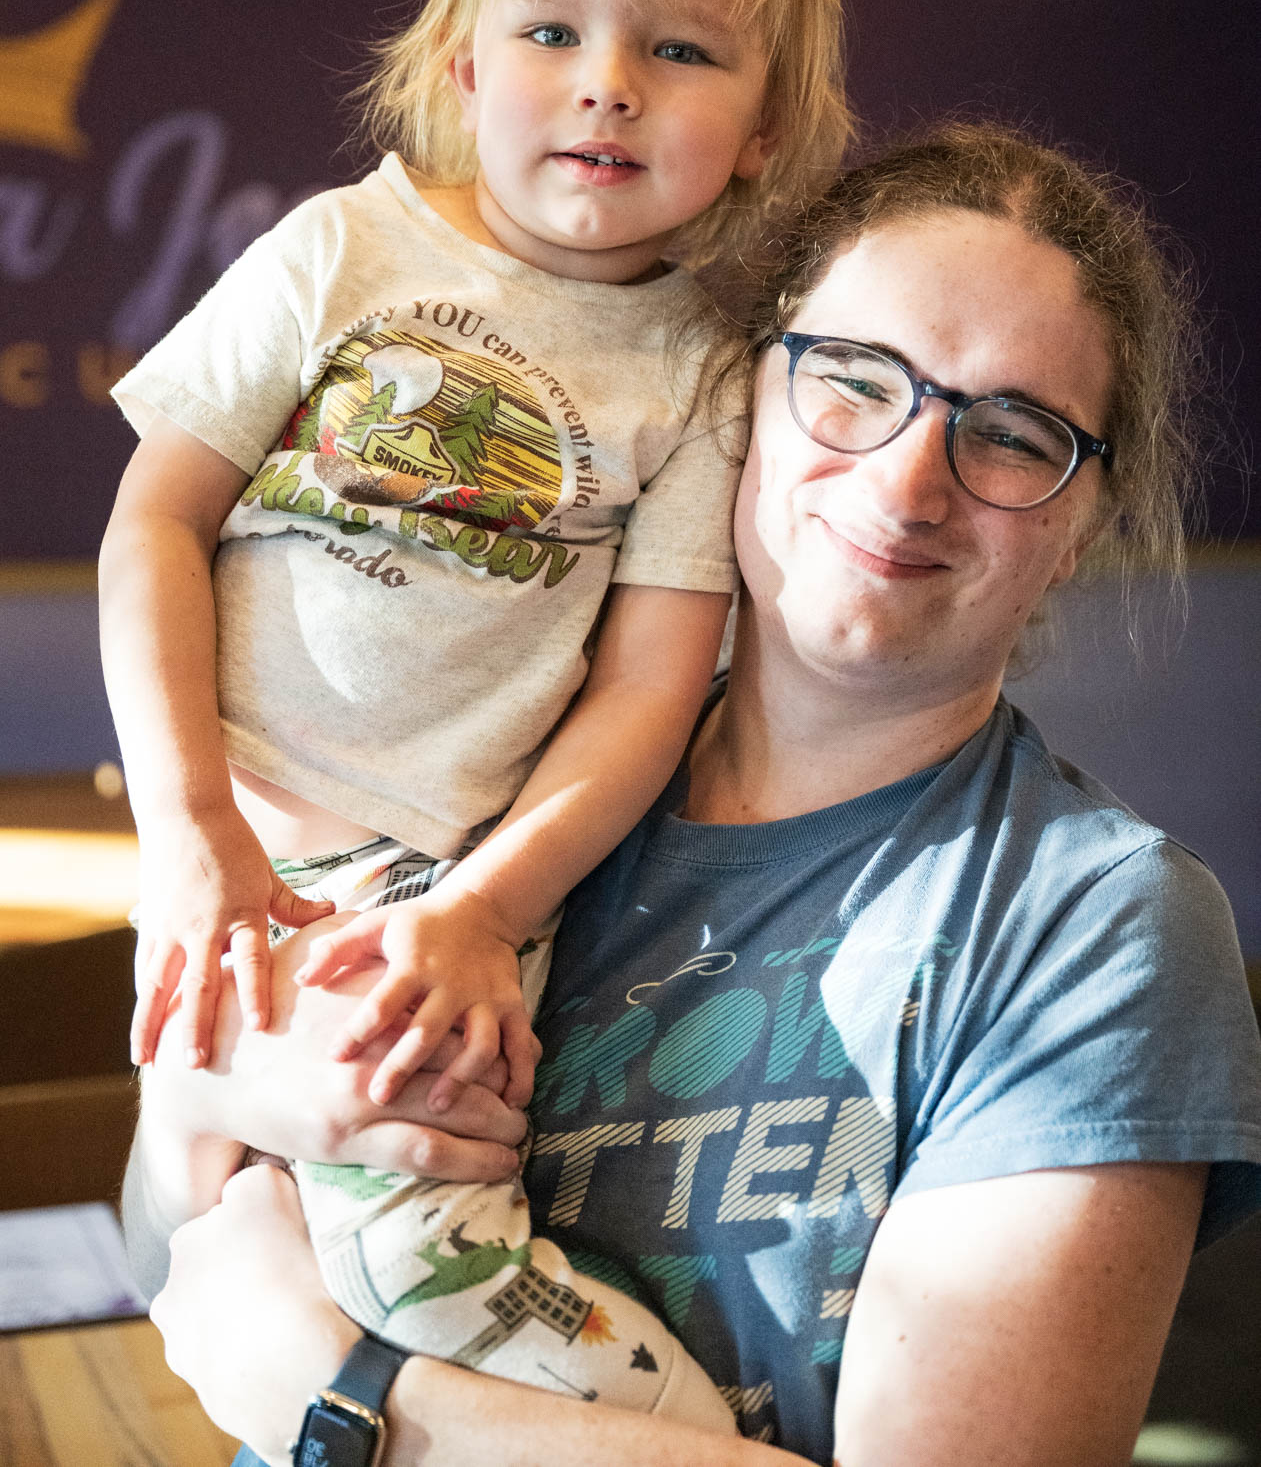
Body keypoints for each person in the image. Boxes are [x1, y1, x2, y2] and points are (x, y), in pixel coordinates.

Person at [131, 125, 1261, 1467]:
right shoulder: (509, 789)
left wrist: (355, 1403)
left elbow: (266, 1356)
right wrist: (214, 1107)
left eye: (1011, 434)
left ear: (1078, 524)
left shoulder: (1091, 925)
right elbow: (175, 1260)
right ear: (743, 400)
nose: (906, 481)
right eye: (853, 380)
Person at [99, 0, 848, 1425]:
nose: (607, 82)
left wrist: (486, 909)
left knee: (407, 1224)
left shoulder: (703, 370)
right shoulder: (335, 251)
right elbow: (154, 523)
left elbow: (647, 692)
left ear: (768, 126)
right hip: (240, 837)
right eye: (553, 30)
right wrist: (185, 824)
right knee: (231, 1191)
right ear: (456, 66)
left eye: (682, 51)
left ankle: (655, 1430)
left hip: (443, 884)